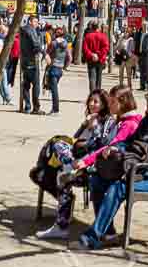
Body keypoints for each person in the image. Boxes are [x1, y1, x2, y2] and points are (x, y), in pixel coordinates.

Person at [79, 81, 148, 250]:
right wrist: (115, 147)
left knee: (118, 186)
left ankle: (93, 236)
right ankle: (108, 232)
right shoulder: (145, 122)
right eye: (147, 98)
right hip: (136, 171)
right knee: (97, 180)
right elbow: (130, 144)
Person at [34, 90, 117, 241]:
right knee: (53, 150)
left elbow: (100, 146)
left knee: (61, 174)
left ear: (104, 104)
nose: (92, 104)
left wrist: (94, 127)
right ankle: (66, 167)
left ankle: (61, 226)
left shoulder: (107, 122)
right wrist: (85, 125)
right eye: (90, 100)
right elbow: (75, 141)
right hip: (76, 161)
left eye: (96, 101)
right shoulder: (88, 120)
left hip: (89, 166)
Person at [19, 16, 44, 114]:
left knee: (26, 85)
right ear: (30, 21)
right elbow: (36, 45)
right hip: (33, 61)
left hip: (24, 61)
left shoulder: (22, 31)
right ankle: (36, 107)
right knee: (36, 85)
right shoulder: (31, 30)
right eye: (35, 21)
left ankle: (27, 106)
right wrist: (44, 54)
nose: (37, 24)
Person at [46, 26, 71, 114]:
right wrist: (65, 67)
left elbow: (47, 53)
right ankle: (55, 109)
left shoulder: (53, 43)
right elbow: (69, 58)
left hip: (53, 67)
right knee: (54, 88)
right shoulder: (66, 43)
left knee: (54, 90)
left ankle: (55, 109)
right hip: (60, 69)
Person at [82, 21, 109, 93]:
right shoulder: (103, 36)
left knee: (92, 78)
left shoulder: (87, 36)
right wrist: (98, 54)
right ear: (98, 27)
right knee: (98, 78)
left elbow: (85, 49)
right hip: (100, 59)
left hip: (91, 59)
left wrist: (92, 55)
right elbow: (106, 48)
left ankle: (92, 94)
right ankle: (98, 94)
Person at [0, 22, 12, 105]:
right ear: (2, 32)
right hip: (0, 63)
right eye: (6, 32)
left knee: (0, 83)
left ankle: (4, 98)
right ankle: (8, 98)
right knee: (4, 82)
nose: (7, 33)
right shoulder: (0, 42)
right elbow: (0, 53)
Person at [136, 22, 148, 90]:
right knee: (141, 71)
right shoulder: (139, 34)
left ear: (147, 26)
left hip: (147, 54)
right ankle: (142, 86)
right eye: (143, 25)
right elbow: (137, 43)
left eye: (146, 25)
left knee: (147, 71)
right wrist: (136, 54)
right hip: (140, 54)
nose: (144, 26)